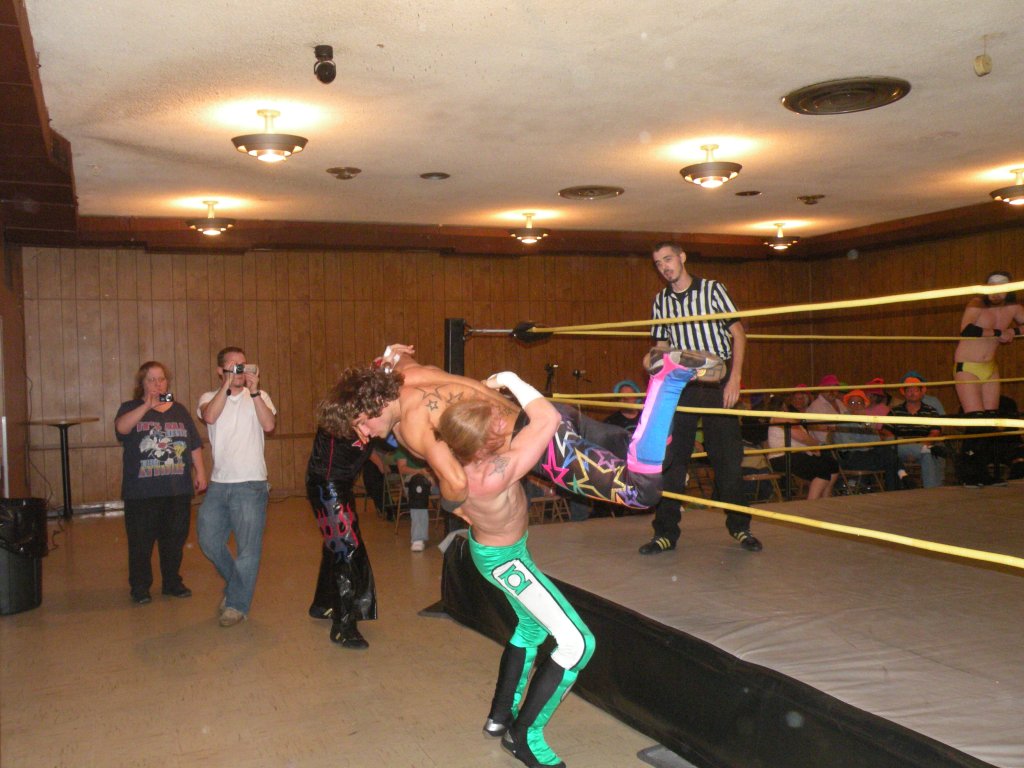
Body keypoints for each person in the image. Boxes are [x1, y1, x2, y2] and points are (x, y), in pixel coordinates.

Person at [318, 344, 712, 513]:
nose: (364, 436)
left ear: (371, 405)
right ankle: (666, 388)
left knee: (642, 492)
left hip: (544, 445)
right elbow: (392, 359)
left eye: (361, 424)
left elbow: (456, 483)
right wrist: (388, 354)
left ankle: (667, 380)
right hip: (543, 409)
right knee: (651, 453)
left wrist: (453, 504)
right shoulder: (408, 374)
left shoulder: (414, 426)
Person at [436, 371, 593, 768]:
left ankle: (500, 715)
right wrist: (511, 379)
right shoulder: (494, 471)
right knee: (577, 643)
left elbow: (447, 500)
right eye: (495, 425)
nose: (503, 422)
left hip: (499, 551)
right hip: (506, 560)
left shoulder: (454, 457)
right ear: (483, 445)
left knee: (531, 628)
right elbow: (547, 418)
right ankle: (524, 736)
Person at [640, 242, 762, 555]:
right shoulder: (661, 301)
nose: (664, 267)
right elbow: (662, 348)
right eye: (658, 263)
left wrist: (735, 378)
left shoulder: (712, 290)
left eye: (668, 259)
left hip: (716, 382)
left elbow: (738, 334)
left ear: (682, 257)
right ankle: (665, 533)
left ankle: (740, 527)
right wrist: (654, 366)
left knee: (727, 459)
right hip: (681, 385)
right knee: (672, 460)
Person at [196, 346, 277, 627]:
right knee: (208, 540)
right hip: (219, 484)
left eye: (243, 364)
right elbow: (209, 417)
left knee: (248, 549)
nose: (240, 370)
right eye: (233, 365)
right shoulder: (208, 397)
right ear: (220, 370)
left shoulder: (260, 396)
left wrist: (254, 393)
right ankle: (236, 586)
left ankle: (237, 605)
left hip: (251, 484)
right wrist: (227, 386)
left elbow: (269, 425)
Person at [114, 361, 207, 604]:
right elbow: (122, 429)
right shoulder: (130, 407)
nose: (158, 384)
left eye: (162, 379)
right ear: (142, 384)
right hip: (142, 492)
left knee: (174, 540)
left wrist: (200, 472)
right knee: (140, 543)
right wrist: (147, 405)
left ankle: (172, 582)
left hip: (176, 490)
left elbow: (193, 444)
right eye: (152, 380)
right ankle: (140, 587)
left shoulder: (179, 410)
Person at [305, 428, 376, 649]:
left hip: (341, 483)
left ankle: (323, 603)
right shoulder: (343, 415)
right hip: (326, 483)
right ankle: (343, 627)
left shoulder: (378, 415)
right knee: (346, 547)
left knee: (335, 543)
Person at [953, 271, 1023, 484]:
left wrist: (1013, 332)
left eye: (1000, 290)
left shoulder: (1013, 307)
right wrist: (997, 333)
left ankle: (984, 472)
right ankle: (968, 474)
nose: (996, 294)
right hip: (968, 366)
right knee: (977, 421)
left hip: (990, 367)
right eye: (992, 289)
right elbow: (966, 329)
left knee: (991, 420)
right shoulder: (977, 304)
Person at [766, 385, 839, 499]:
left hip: (795, 454)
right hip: (783, 457)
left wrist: (814, 448)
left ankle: (826, 496)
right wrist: (817, 445)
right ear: (784, 406)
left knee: (832, 464)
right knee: (823, 468)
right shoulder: (780, 418)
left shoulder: (786, 418)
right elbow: (801, 437)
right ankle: (812, 501)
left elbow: (803, 438)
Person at [881, 375, 945, 488]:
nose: (912, 393)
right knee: (891, 442)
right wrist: (909, 446)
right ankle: (922, 451)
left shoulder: (931, 411)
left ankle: (930, 490)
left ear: (921, 392)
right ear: (904, 393)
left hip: (924, 444)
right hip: (901, 447)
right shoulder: (895, 411)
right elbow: (886, 432)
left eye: (915, 390)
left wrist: (922, 445)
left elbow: (935, 432)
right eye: (909, 390)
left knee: (927, 455)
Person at [832, 389, 901, 491]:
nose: (855, 406)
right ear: (847, 405)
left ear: (864, 405)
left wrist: (865, 424)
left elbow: (876, 441)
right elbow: (849, 445)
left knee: (889, 455)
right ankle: (899, 483)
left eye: (859, 403)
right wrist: (868, 446)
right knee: (891, 458)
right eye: (852, 403)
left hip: (866, 454)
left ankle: (895, 487)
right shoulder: (842, 420)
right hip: (850, 457)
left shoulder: (866, 420)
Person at [805, 373, 847, 443]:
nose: (832, 391)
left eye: (835, 387)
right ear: (821, 389)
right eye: (828, 387)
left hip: (845, 442)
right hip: (828, 446)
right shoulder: (815, 407)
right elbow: (821, 436)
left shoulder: (839, 403)